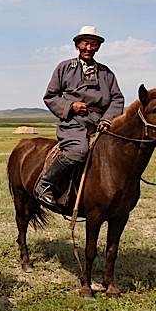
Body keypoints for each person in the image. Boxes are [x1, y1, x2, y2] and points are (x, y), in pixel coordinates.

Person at [35, 25, 124, 210]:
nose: (89, 48)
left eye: (94, 44)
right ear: (77, 45)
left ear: (98, 47)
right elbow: (50, 96)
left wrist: (107, 119)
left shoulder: (106, 73)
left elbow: (117, 98)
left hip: (100, 123)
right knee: (79, 150)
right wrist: (70, 106)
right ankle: (45, 184)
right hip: (73, 122)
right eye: (85, 43)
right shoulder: (65, 68)